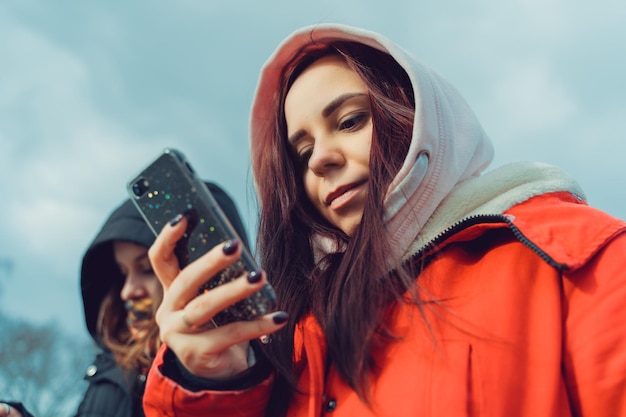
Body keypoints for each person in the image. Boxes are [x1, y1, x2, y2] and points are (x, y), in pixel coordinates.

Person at [141, 24, 626, 417]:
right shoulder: (290, 334)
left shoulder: (578, 256)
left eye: (350, 121)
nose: (319, 161)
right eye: (302, 151)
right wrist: (214, 384)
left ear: (421, 119)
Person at [0, 182, 250, 417]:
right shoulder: (112, 367)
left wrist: (211, 385)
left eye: (147, 270)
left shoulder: (250, 373)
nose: (127, 291)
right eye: (122, 273)